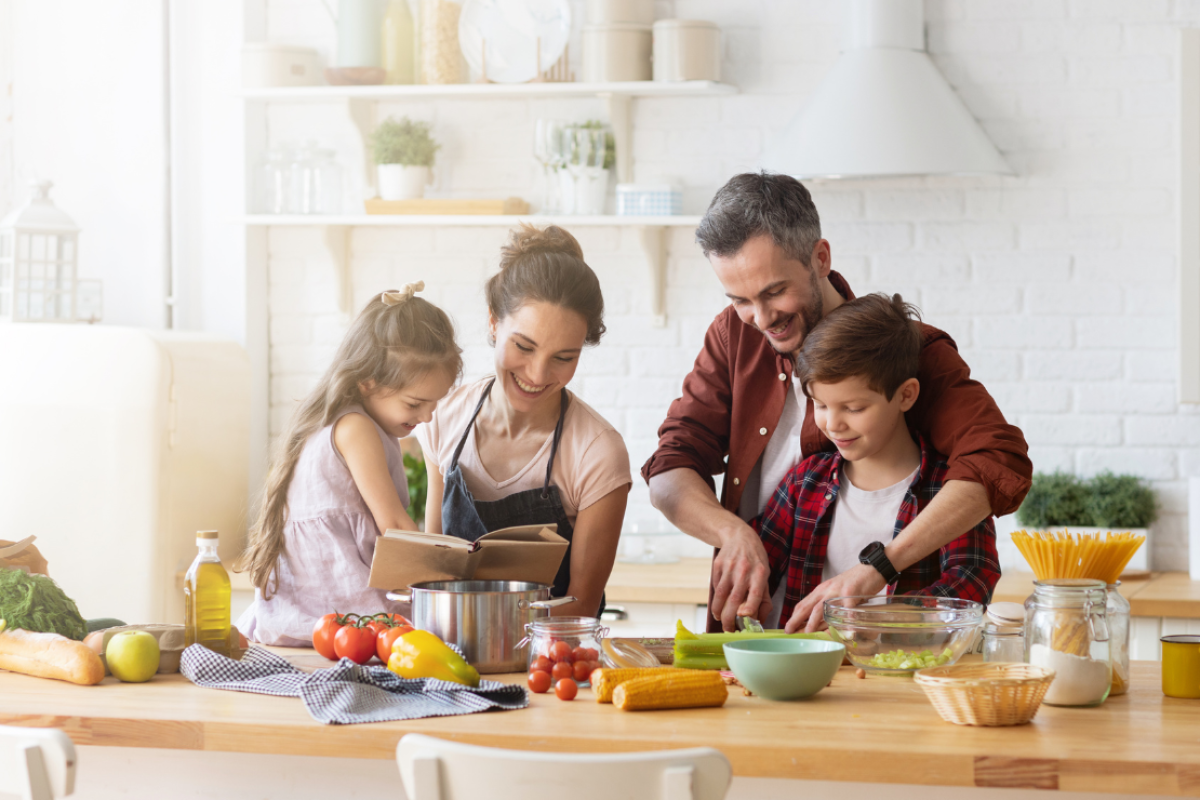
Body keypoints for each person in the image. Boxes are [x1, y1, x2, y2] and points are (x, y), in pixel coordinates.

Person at [642, 172, 1031, 632]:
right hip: (766, 638)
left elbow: (995, 459)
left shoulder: (906, 350)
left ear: (820, 258)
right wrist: (732, 533)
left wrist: (879, 570)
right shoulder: (733, 334)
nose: (761, 319)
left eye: (774, 292)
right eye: (740, 299)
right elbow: (670, 468)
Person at [756, 293, 1001, 632]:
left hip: (904, 662)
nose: (833, 424)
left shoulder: (950, 491)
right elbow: (759, 565)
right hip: (805, 663)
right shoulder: (803, 482)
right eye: (820, 405)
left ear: (906, 395)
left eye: (854, 408)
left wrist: (875, 620)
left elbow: (971, 582)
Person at [420, 225, 631, 618]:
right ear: (493, 322)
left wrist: (494, 636)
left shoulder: (597, 451)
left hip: (551, 652)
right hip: (449, 648)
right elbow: (432, 575)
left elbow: (582, 607)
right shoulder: (443, 417)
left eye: (563, 358)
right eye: (524, 346)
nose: (537, 374)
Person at [238, 283, 461, 646]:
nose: (426, 416)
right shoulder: (356, 428)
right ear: (367, 382)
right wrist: (445, 576)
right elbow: (393, 525)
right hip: (340, 609)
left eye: (434, 404)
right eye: (414, 404)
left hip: (309, 612)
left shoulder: (345, 420)